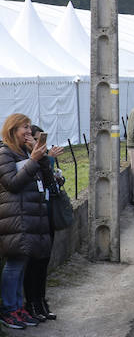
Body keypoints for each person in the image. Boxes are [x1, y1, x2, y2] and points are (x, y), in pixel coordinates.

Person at [0, 114, 58, 329]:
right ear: (12, 130)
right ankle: (8, 309)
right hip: (14, 217)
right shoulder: (4, 153)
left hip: (30, 215)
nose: (28, 131)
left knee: (22, 264)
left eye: (28, 127)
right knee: (15, 264)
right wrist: (33, 160)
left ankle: (17, 307)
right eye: (24, 127)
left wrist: (40, 156)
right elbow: (12, 183)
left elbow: (47, 179)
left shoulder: (23, 151)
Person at [22, 125, 63, 324]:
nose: (38, 144)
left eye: (40, 140)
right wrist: (35, 157)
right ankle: (31, 303)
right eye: (33, 138)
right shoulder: (19, 158)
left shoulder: (40, 158)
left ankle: (41, 301)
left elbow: (48, 182)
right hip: (30, 216)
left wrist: (45, 157)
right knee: (32, 264)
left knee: (43, 262)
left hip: (45, 215)